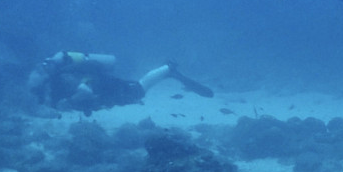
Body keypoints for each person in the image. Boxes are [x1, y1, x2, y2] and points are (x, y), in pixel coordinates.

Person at [28, 52, 212, 116]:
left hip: (105, 85)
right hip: (103, 88)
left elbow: (84, 89)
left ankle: (168, 69)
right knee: (135, 92)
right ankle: (167, 71)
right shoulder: (58, 79)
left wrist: (69, 102)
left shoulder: (64, 77)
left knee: (138, 91)